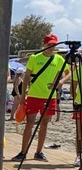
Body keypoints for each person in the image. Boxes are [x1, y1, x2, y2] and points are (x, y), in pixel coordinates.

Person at [11, 33, 66, 162]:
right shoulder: (35, 58)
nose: (52, 47)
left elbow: (67, 72)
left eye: (54, 45)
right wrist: (23, 95)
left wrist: (60, 81)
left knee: (45, 124)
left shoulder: (59, 59)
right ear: (44, 44)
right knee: (29, 123)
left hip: (50, 96)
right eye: (49, 44)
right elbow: (26, 79)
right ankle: (23, 152)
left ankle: (39, 151)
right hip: (34, 95)